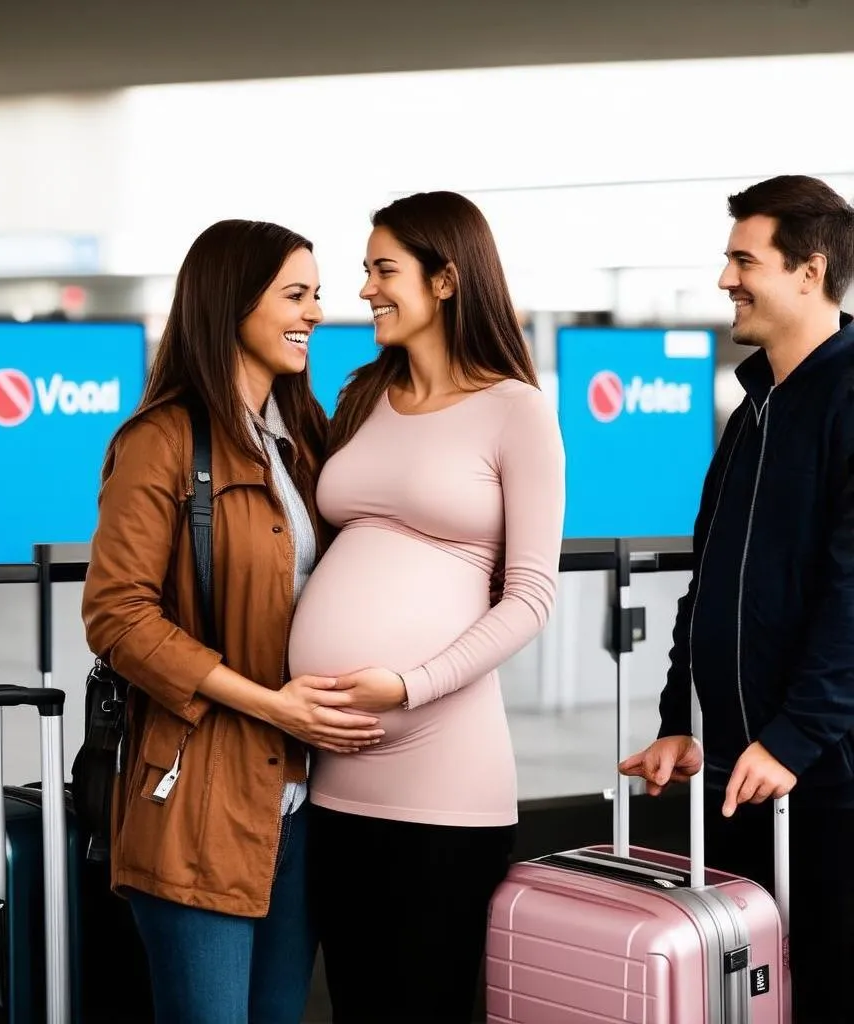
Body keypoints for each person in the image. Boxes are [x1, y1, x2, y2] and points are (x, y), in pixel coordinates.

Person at [81, 219, 386, 1024]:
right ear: (230, 303)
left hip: (306, 799)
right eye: (295, 294)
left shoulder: (305, 443)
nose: (315, 312)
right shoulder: (162, 441)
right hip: (199, 798)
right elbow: (117, 616)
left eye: (317, 294)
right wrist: (269, 703)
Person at [288, 191, 566, 1024]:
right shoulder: (361, 395)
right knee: (357, 1007)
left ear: (446, 279)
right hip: (333, 774)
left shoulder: (517, 411)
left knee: (425, 1007)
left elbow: (531, 598)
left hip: (445, 777)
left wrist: (406, 685)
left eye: (384, 270)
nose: (365, 291)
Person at [619, 175, 854, 1024]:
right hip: (743, 778)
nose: (725, 278)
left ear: (809, 270)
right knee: (750, 996)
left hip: (829, 784)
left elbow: (852, 598)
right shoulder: (752, 409)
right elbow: (710, 577)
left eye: (742, 259)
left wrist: (792, 741)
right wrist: (679, 714)